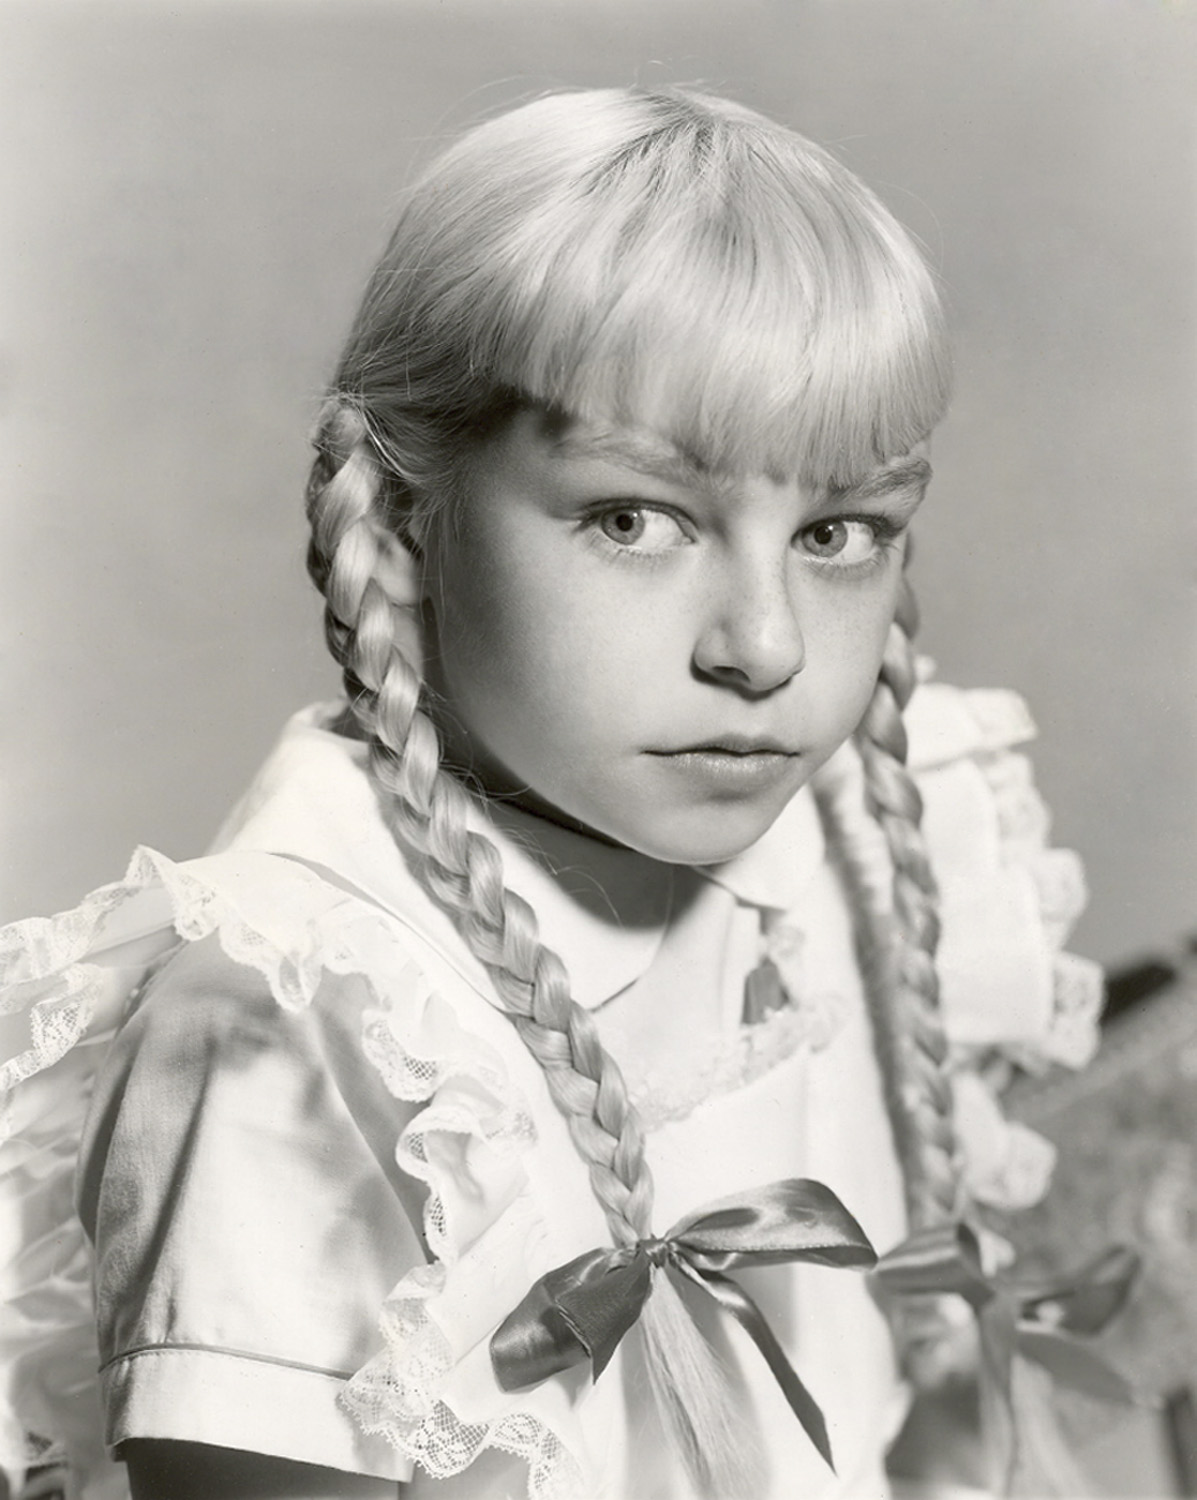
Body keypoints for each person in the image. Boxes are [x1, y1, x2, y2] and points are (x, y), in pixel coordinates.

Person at [0, 88, 1106, 1500]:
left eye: (837, 532)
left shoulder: (864, 838)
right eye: (633, 520)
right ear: (405, 521)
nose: (764, 647)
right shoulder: (298, 1027)